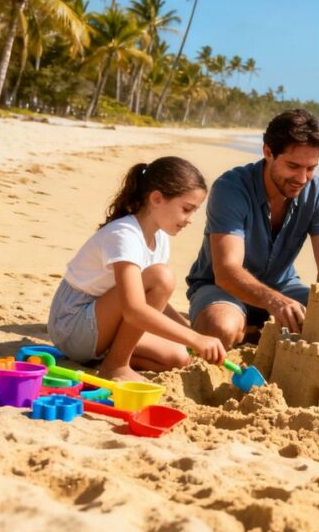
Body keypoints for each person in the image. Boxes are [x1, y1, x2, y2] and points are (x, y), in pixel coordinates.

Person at [47, 156, 225, 382]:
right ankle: (115, 366)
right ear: (157, 198)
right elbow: (134, 309)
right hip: (73, 325)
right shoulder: (124, 235)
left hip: (100, 326)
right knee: (162, 277)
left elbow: (153, 300)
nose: (189, 219)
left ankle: (108, 358)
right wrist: (195, 339)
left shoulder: (159, 237)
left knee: (179, 357)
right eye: (186, 209)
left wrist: (193, 335)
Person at [187, 109, 319, 348]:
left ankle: (255, 333)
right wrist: (275, 303)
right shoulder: (231, 188)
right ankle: (255, 332)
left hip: (284, 286)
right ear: (268, 152)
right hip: (221, 288)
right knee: (221, 328)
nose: (302, 178)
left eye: (311, 168)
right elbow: (227, 271)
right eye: (293, 166)